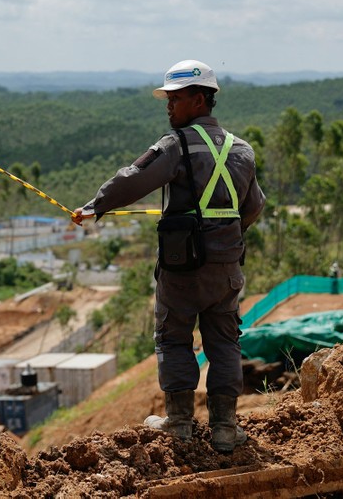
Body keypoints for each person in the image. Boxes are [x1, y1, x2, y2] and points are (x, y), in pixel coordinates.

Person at [73, 59, 265, 452]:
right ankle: (226, 429)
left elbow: (135, 177)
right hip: (226, 268)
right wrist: (226, 236)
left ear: (198, 100)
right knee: (225, 342)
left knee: (174, 339)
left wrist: (97, 206)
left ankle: (178, 422)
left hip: (183, 267)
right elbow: (254, 206)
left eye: (174, 99)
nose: (168, 106)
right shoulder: (242, 150)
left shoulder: (175, 145)